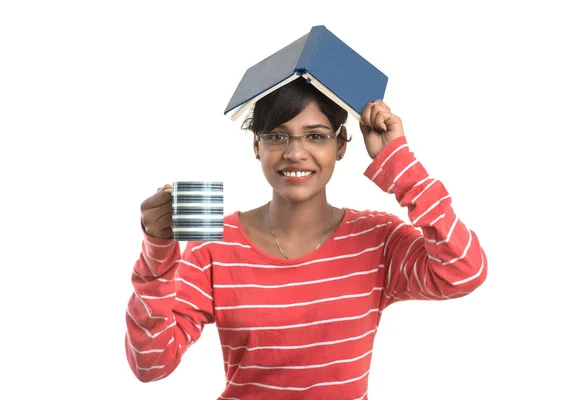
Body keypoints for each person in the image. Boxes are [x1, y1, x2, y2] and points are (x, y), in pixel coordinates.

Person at [125, 78, 488, 399]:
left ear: (341, 145)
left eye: (315, 135)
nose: (295, 152)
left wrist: (398, 163)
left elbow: (464, 271)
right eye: (278, 136)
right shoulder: (213, 247)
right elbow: (151, 364)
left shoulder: (377, 240)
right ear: (257, 146)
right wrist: (159, 252)